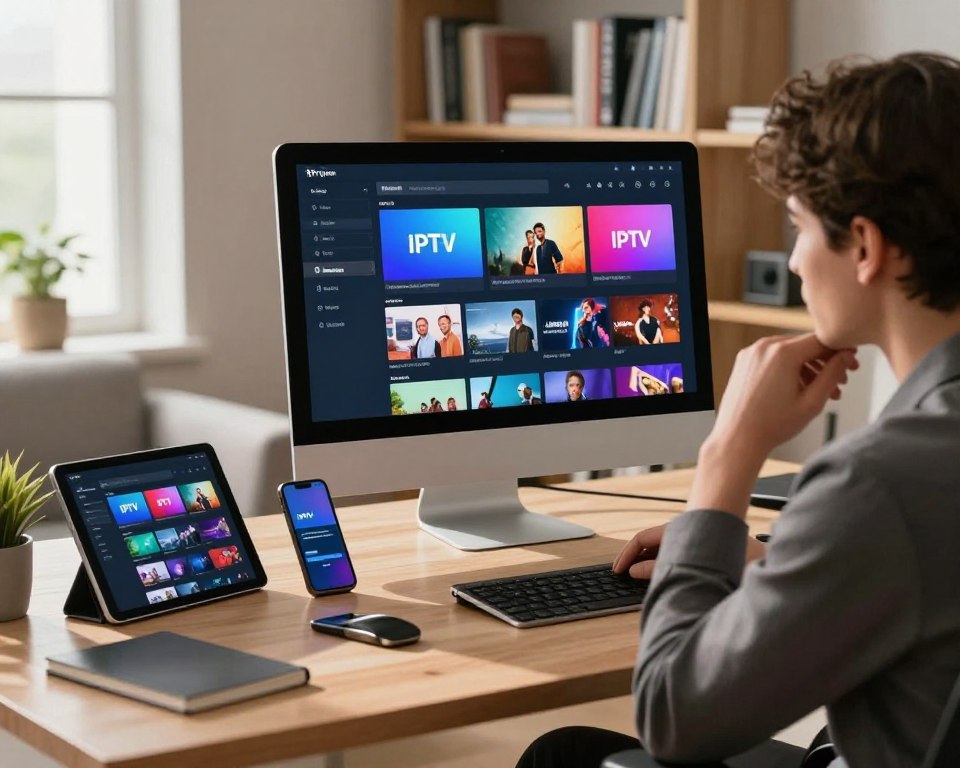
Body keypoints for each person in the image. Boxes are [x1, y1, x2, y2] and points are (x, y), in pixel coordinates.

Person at [516, 52, 960, 768]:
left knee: (563, 758)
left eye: (798, 228)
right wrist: (778, 560)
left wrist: (727, 455)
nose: (791, 264)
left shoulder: (877, 483)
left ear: (867, 246)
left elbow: (672, 717)